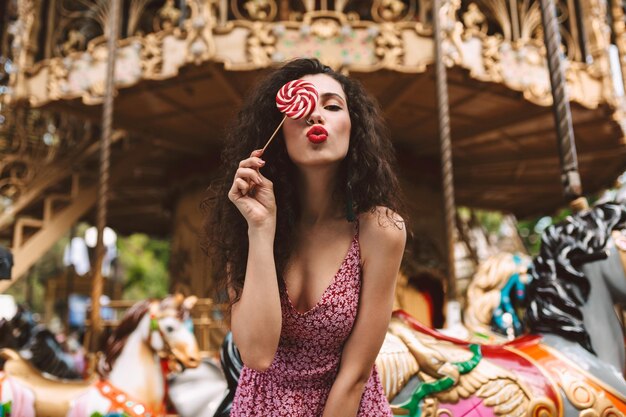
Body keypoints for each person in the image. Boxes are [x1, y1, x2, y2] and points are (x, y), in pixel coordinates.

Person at [203, 58, 407, 416]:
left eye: (331, 105)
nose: (316, 116)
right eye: (304, 106)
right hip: (261, 406)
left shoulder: (380, 230)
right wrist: (261, 231)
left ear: (352, 126)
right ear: (279, 128)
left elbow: (356, 373)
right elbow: (257, 354)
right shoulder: (246, 220)